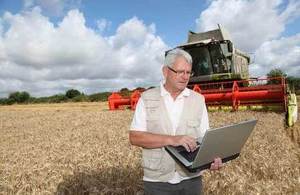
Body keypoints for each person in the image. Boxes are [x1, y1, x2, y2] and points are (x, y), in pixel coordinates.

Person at [129, 48, 222, 195]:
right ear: (165, 71)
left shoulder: (198, 100)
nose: (185, 77)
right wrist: (172, 140)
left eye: (188, 72)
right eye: (180, 72)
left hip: (191, 180)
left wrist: (211, 159)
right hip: (157, 182)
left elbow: (205, 138)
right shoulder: (146, 98)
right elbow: (135, 137)